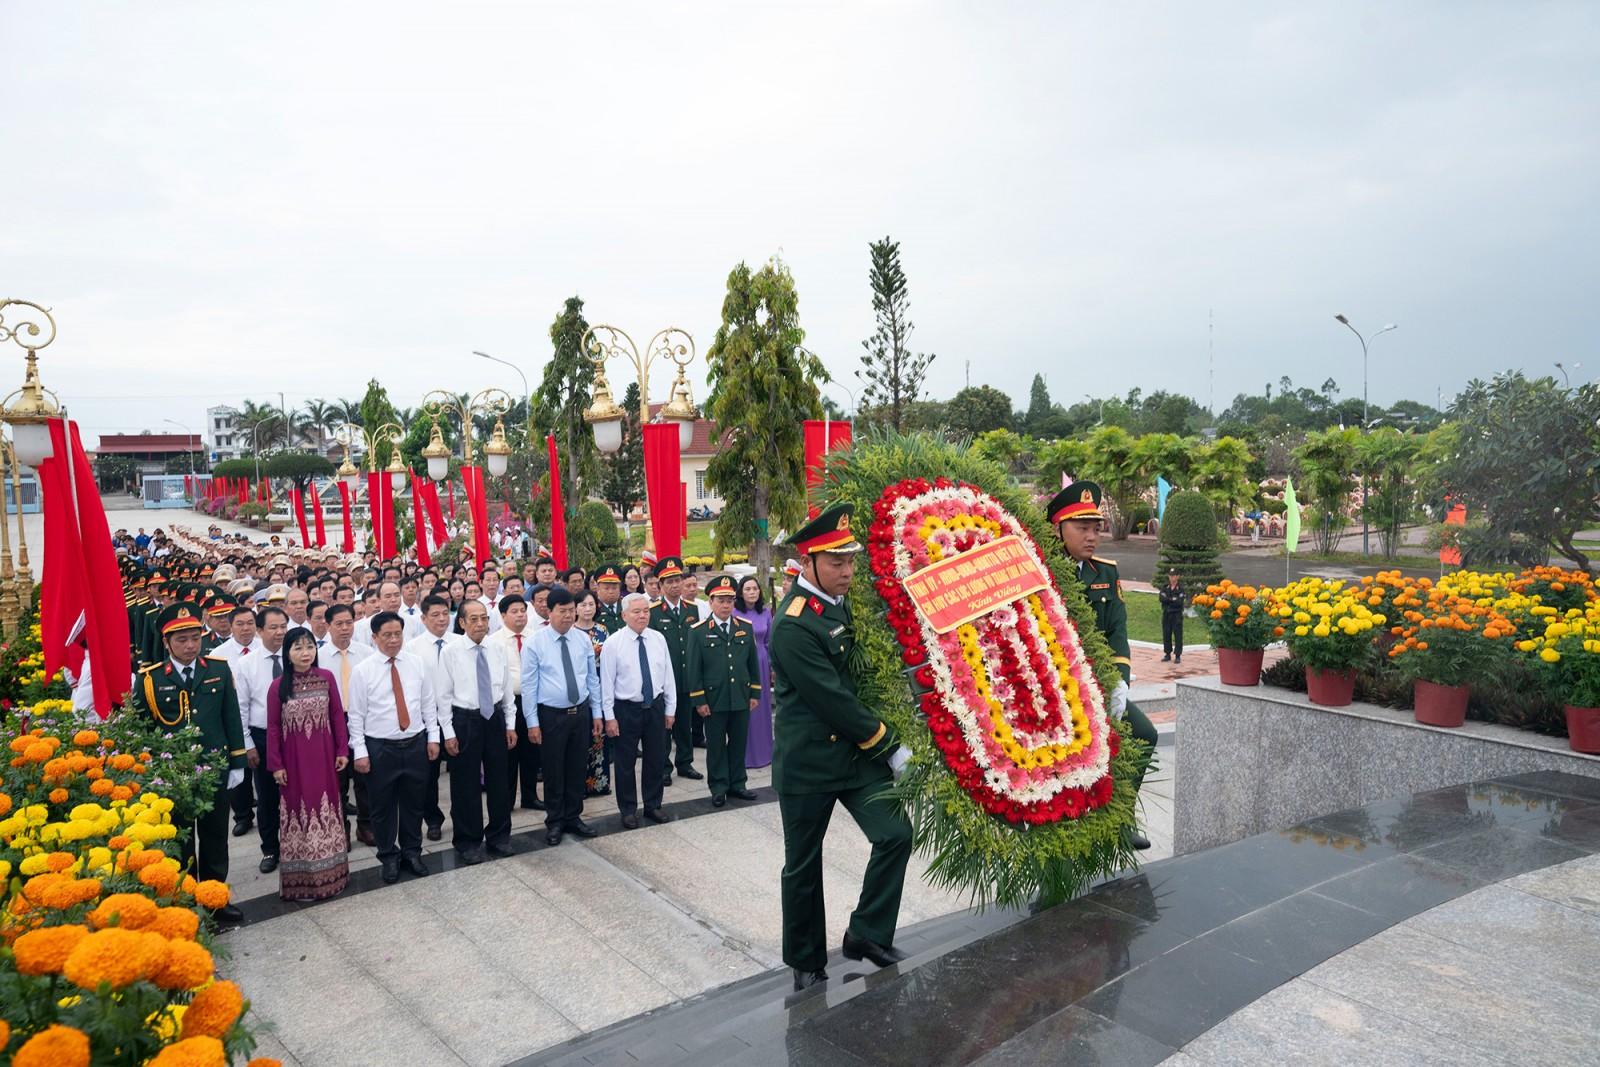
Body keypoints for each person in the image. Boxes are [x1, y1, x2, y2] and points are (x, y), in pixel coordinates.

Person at [772, 504, 913, 991]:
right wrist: (889, 746)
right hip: (810, 762)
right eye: (837, 562)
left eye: (850, 560)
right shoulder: (792, 624)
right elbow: (832, 700)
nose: (848, 571)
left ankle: (866, 933)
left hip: (852, 758)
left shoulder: (837, 601)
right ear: (807, 561)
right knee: (803, 865)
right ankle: (806, 960)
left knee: (895, 834)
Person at [1047, 481, 1159, 850]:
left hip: (1098, 685)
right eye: (1082, 528)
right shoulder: (1042, 573)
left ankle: (1119, 819)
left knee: (1143, 734)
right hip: (1054, 687)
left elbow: (1117, 634)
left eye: (1096, 528)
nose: (1092, 537)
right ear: (1057, 528)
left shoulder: (1105, 573)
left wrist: (1119, 683)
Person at [134, 603, 247, 924]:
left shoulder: (218, 669)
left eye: (194, 638)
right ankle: (183, 902)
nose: (189, 645)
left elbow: (230, 717)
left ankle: (214, 899)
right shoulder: (150, 681)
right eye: (181, 639)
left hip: (213, 770)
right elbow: (143, 729)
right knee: (180, 841)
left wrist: (236, 762)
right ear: (167, 642)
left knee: (214, 839)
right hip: (173, 776)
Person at [347, 611, 441, 884]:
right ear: (374, 637)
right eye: (386, 635)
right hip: (380, 748)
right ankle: (388, 855)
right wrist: (361, 752)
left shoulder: (416, 664)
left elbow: (427, 704)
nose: (393, 640)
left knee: (414, 803)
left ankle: (412, 852)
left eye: (397, 634)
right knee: (382, 806)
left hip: (415, 744)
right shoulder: (363, 671)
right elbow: (356, 715)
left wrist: (432, 737)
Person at [266, 626, 350, 901]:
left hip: (325, 760)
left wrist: (342, 750)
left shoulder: (326, 678)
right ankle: (301, 882)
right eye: (298, 648)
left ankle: (333, 877)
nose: (305, 653)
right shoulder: (278, 686)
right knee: (297, 814)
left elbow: (337, 715)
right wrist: (276, 765)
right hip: (294, 764)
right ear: (287, 653)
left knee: (326, 809)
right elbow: (274, 727)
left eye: (310, 646)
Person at [436, 600, 519, 864]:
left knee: (499, 781)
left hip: (493, 717)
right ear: (461, 623)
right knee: (465, 784)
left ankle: (499, 836)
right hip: (465, 720)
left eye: (484, 618)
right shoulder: (451, 652)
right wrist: (448, 732)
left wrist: (510, 724)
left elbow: (505, 689)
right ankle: (468, 841)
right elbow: (443, 695)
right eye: (474, 619)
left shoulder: (497, 647)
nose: (481, 624)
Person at [520, 586, 602, 847]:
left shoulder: (582, 639)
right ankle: (555, 820)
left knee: (577, 766)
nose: (568, 616)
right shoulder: (536, 642)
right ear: (549, 612)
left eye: (571, 611)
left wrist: (597, 713)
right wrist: (532, 722)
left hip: (580, 713)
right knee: (554, 769)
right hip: (551, 715)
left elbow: (592, 679)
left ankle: (573, 816)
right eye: (562, 611)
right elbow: (529, 686)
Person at [600, 592, 675, 829]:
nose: (642, 616)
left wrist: (670, 708)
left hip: (654, 706)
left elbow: (668, 676)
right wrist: (609, 717)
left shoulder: (658, 639)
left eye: (646, 611)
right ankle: (628, 809)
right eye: (636, 612)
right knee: (625, 762)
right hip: (626, 709)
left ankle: (653, 805)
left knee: (655, 758)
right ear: (624, 615)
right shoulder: (614, 643)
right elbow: (607, 683)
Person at [688, 575, 762, 807]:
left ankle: (738, 783)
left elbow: (752, 664)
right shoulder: (698, 631)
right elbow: (694, 669)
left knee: (739, 743)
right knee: (717, 746)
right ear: (710, 602)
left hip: (740, 696)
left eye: (730, 600)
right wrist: (699, 700)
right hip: (714, 699)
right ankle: (719, 787)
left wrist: (755, 693)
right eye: (721, 600)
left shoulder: (744, 628)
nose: (726, 605)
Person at [234, 605, 289, 875]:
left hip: (296, 734)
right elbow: (241, 707)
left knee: (296, 792)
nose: (279, 633)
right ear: (259, 631)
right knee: (267, 796)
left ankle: (297, 845)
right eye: (273, 628)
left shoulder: (296, 656)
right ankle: (270, 848)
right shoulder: (246, 664)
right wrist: (248, 744)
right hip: (263, 736)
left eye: (283, 627)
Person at [320, 602, 375, 846]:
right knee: (337, 779)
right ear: (328, 626)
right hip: (332, 722)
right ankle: (341, 827)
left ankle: (366, 826)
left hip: (361, 718)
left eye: (349, 623)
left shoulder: (366, 653)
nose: (345, 629)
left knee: (365, 776)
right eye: (339, 624)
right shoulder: (317, 656)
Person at [405, 594, 456, 841]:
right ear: (423, 619)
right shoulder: (412, 649)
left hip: (458, 715)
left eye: (445, 614)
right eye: (434, 615)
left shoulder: (459, 642)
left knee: (461, 768)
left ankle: (462, 813)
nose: (441, 619)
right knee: (429, 774)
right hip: (428, 717)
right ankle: (433, 819)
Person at [649, 557, 702, 785]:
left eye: (677, 580)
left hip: (687, 677)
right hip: (664, 680)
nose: (674, 585)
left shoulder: (693, 610)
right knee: (664, 726)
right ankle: (663, 767)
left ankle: (685, 762)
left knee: (684, 723)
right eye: (668, 581)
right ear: (660, 585)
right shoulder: (653, 612)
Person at [489, 592, 542, 812]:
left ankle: (530, 796)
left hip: (532, 702)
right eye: (514, 612)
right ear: (503, 616)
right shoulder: (494, 642)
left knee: (532, 753)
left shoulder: (536, 637)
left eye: (523, 611)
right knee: (508, 754)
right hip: (506, 705)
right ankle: (507, 799)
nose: (520, 615)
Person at [738, 575, 776, 770]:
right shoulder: (735, 612)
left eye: (755, 589)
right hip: (742, 663)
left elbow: (770, 642)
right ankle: (745, 753)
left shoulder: (766, 613)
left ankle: (765, 752)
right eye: (748, 589)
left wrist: (772, 667)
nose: (752, 592)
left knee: (762, 708)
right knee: (747, 708)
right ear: (741, 592)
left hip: (761, 661)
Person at [1159, 570, 1186, 663]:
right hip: (1166, 614)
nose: (1172, 578)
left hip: (1176, 614)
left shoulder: (1181, 588)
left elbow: (1179, 602)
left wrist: (1168, 599)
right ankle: (1167, 654)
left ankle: (1178, 655)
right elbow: (1161, 598)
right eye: (1170, 576)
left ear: (1177, 577)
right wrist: (1172, 599)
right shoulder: (1165, 587)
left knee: (1178, 634)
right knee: (1166, 633)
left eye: (1174, 576)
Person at [593, 563, 625, 631]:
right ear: (598, 589)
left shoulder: (626, 605)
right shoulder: (593, 608)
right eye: (606, 588)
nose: (611, 592)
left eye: (614, 588)